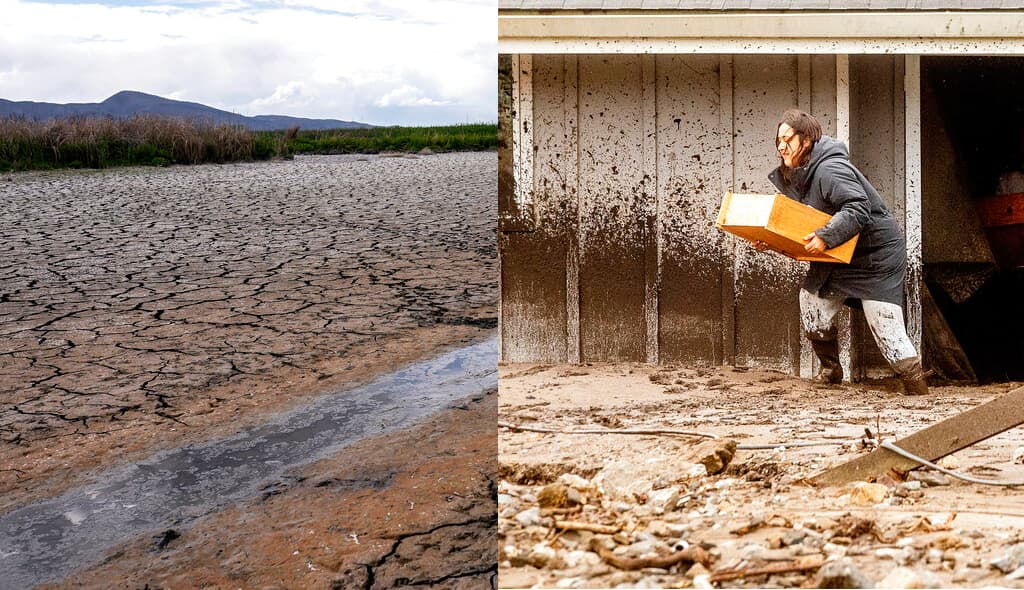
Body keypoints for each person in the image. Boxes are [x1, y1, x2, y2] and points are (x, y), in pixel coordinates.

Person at [755, 109, 928, 395]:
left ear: (807, 140)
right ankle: (831, 370)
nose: (781, 146)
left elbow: (857, 208)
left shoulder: (829, 169)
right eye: (778, 140)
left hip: (875, 253)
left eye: (787, 139)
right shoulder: (798, 172)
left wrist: (825, 237)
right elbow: (806, 222)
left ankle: (915, 385)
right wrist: (771, 240)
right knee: (811, 300)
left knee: (885, 324)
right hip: (838, 250)